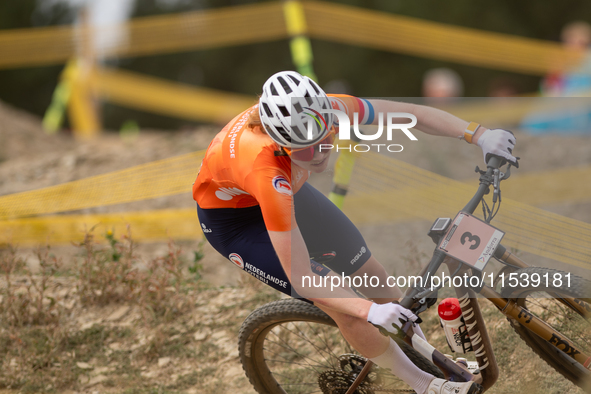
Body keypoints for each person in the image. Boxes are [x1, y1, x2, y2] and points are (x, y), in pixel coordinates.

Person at [192, 71, 517, 394]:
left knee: (370, 272)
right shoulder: (265, 169)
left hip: (287, 188)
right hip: (236, 222)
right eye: (306, 149)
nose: (321, 153)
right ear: (283, 143)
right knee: (345, 306)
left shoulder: (333, 108)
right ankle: (423, 384)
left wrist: (478, 134)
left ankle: (426, 358)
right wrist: (369, 311)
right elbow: (302, 277)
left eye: (325, 138)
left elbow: (412, 114)